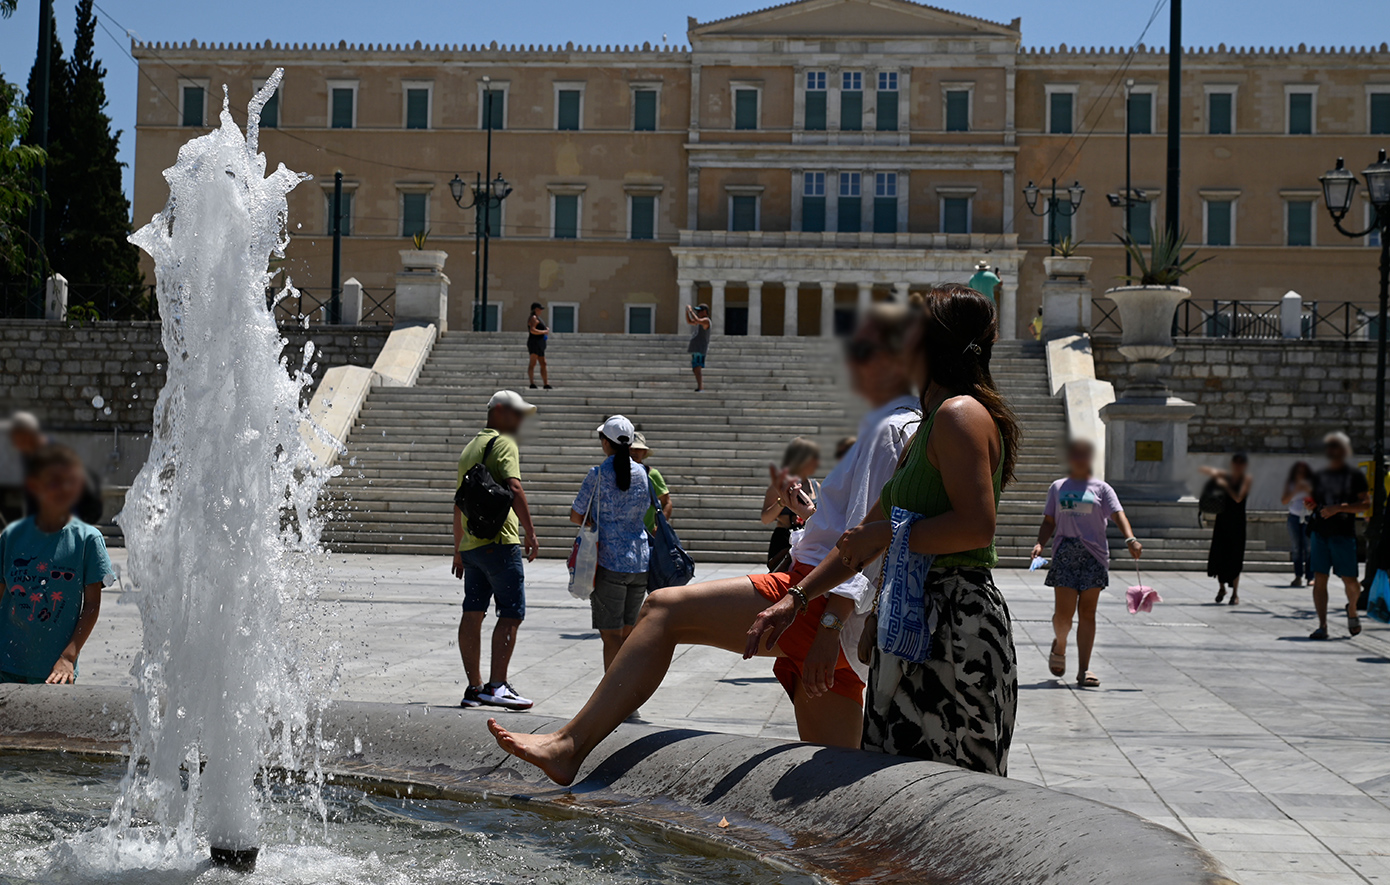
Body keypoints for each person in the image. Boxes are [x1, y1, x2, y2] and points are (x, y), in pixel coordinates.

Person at [487, 302, 923, 784]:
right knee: (833, 782)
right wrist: (807, 515)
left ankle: (569, 746)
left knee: (664, 610)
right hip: (824, 606)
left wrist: (824, 627)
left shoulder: (888, 430)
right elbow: (865, 530)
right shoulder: (901, 426)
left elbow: (863, 548)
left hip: (812, 599)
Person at [744, 283, 1021, 776]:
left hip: (956, 622)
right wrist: (796, 599)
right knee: (899, 784)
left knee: (949, 790)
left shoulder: (960, 414)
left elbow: (977, 526)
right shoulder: (926, 427)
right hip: (913, 620)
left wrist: (891, 536)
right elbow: (860, 538)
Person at [453, 390, 541, 711]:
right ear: (499, 411)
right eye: (516, 413)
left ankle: (474, 688)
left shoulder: (469, 449)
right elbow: (515, 488)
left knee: (472, 612)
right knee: (512, 613)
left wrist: (458, 549)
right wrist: (530, 532)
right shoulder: (504, 444)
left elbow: (458, 502)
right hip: (501, 542)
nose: (519, 420)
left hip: (473, 545)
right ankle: (498, 685)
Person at [1031, 439, 1142, 688]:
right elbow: (1049, 520)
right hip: (1065, 553)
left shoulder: (1102, 489)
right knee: (1064, 615)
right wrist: (1040, 543)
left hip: (1094, 555)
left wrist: (1130, 538)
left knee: (1088, 613)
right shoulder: (1058, 487)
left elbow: (1117, 514)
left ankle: (1084, 670)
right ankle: (1060, 644)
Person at [0, 444, 111, 684]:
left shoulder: (87, 540)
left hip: (55, 671)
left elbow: (91, 605)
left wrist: (68, 657)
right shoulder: (11, 537)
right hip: (5, 664)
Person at [573, 415, 651, 670]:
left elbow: (577, 514)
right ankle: (629, 696)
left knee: (610, 636)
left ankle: (613, 699)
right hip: (639, 562)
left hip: (609, 562)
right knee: (628, 635)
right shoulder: (642, 472)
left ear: (606, 443)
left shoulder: (597, 474)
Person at [1308, 432, 1370, 640]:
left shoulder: (1355, 477)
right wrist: (1312, 505)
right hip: (1320, 531)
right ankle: (1322, 625)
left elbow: (1365, 505)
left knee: (1350, 581)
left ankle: (1352, 609)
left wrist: (1339, 508)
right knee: (1319, 578)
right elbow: (1315, 502)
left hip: (1343, 534)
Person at [7, 411, 102, 525]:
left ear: (28, 435)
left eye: (18, 439)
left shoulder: (54, 456)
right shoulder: (28, 456)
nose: (16, 444)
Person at [761, 437, 821, 573]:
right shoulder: (778, 486)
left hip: (807, 540)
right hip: (784, 541)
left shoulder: (816, 486)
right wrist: (782, 502)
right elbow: (765, 519)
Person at [1202, 454, 1252, 605]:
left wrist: (1226, 485)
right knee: (1219, 555)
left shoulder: (1246, 479)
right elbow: (1205, 470)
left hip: (1237, 523)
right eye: (1235, 463)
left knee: (1235, 558)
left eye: (1240, 463)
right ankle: (1221, 587)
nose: (1237, 466)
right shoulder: (1225, 477)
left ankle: (1235, 594)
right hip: (1223, 520)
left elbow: (1238, 497)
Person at [1282, 461, 1316, 589]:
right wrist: (1295, 489)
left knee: (1309, 548)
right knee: (1296, 548)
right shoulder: (1290, 484)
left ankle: (1310, 576)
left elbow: (1318, 498)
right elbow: (1284, 500)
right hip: (1294, 517)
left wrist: (1308, 489)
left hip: (1308, 517)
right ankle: (1298, 576)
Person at [631, 431, 672, 534]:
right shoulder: (614, 474)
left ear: (644, 452)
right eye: (630, 449)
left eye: (638, 449)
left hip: (647, 536)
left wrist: (660, 526)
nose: (634, 452)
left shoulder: (652, 474)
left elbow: (667, 502)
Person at [686, 303, 711, 392]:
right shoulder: (700, 321)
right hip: (696, 348)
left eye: (699, 311)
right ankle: (699, 387)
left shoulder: (706, 321)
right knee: (695, 368)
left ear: (705, 311)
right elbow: (690, 321)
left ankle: (701, 387)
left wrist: (691, 311)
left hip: (700, 348)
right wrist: (687, 312)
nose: (698, 313)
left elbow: (696, 319)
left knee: (698, 367)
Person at [526, 302, 552, 390]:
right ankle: (532, 383)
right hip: (534, 342)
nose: (541, 310)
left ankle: (546, 383)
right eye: (539, 309)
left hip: (540, 343)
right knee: (533, 363)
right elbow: (532, 330)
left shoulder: (538, 318)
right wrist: (544, 332)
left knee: (543, 363)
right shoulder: (533, 318)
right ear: (535, 309)